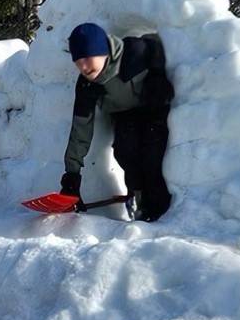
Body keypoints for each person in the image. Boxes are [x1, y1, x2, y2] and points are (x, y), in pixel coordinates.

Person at [59, 22, 174, 223]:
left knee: (153, 157)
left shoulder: (136, 53)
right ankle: (139, 202)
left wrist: (157, 79)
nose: (83, 67)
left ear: (103, 52)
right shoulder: (87, 84)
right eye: (77, 61)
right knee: (125, 151)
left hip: (154, 109)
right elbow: (80, 130)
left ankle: (162, 211)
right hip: (124, 116)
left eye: (87, 58)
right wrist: (72, 176)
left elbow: (158, 44)